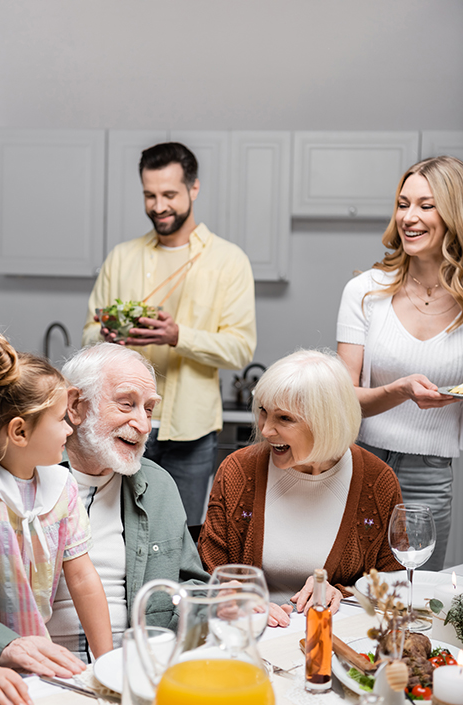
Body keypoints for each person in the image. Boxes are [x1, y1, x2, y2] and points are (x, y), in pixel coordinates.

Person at [82, 142, 256, 535]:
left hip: (189, 432)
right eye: (150, 195)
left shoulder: (229, 261)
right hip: (117, 422)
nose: (158, 205)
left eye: (169, 195)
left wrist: (179, 336)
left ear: (194, 189)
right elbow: (89, 333)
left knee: (180, 538)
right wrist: (108, 335)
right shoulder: (121, 257)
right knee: (111, 534)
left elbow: (241, 348)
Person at [0, 335, 112, 705]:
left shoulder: (61, 486)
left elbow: (84, 579)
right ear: (20, 432)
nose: (71, 428)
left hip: (32, 660)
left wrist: (107, 665)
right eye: (60, 419)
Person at [198, 349, 402, 628]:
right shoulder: (237, 471)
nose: (266, 430)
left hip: (335, 639)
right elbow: (207, 573)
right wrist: (236, 595)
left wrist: (343, 592)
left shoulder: (377, 481)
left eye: (284, 418)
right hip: (248, 632)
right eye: (263, 412)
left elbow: (394, 583)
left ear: (326, 422)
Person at [337, 155, 463, 571]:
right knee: (355, 591)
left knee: (414, 598)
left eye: (426, 205)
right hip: (362, 462)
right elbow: (342, 398)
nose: (410, 217)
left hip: (431, 473)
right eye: (403, 204)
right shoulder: (364, 291)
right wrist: (399, 391)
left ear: (453, 213)